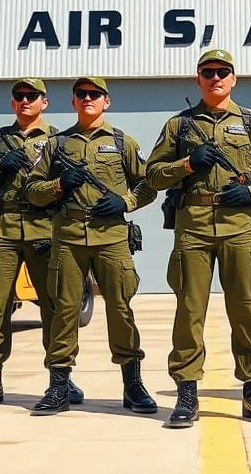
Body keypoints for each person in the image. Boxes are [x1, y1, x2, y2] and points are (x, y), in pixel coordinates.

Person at [146, 49, 251, 427]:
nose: (215, 78)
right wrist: (188, 164)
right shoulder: (179, 125)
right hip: (192, 225)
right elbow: (153, 175)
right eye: (208, 72)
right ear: (198, 79)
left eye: (223, 72)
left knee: (244, 308)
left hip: (238, 225)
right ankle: (187, 392)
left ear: (234, 79)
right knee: (190, 311)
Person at [25, 76, 158, 415]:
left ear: (106, 101)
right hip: (68, 236)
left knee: (121, 308)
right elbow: (32, 190)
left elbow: (149, 185)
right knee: (64, 311)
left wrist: (125, 202)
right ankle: (59, 386)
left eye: (95, 94)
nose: (88, 98)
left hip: (111, 236)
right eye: (81, 94)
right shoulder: (56, 144)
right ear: (73, 101)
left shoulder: (122, 142)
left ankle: (132, 385)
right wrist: (58, 185)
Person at [0, 77, 82, 409]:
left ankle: (61, 377)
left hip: (46, 227)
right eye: (19, 96)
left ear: (44, 102)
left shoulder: (60, 140)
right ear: (12, 102)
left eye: (32, 96)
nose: (25, 101)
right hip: (5, 229)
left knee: (55, 306)